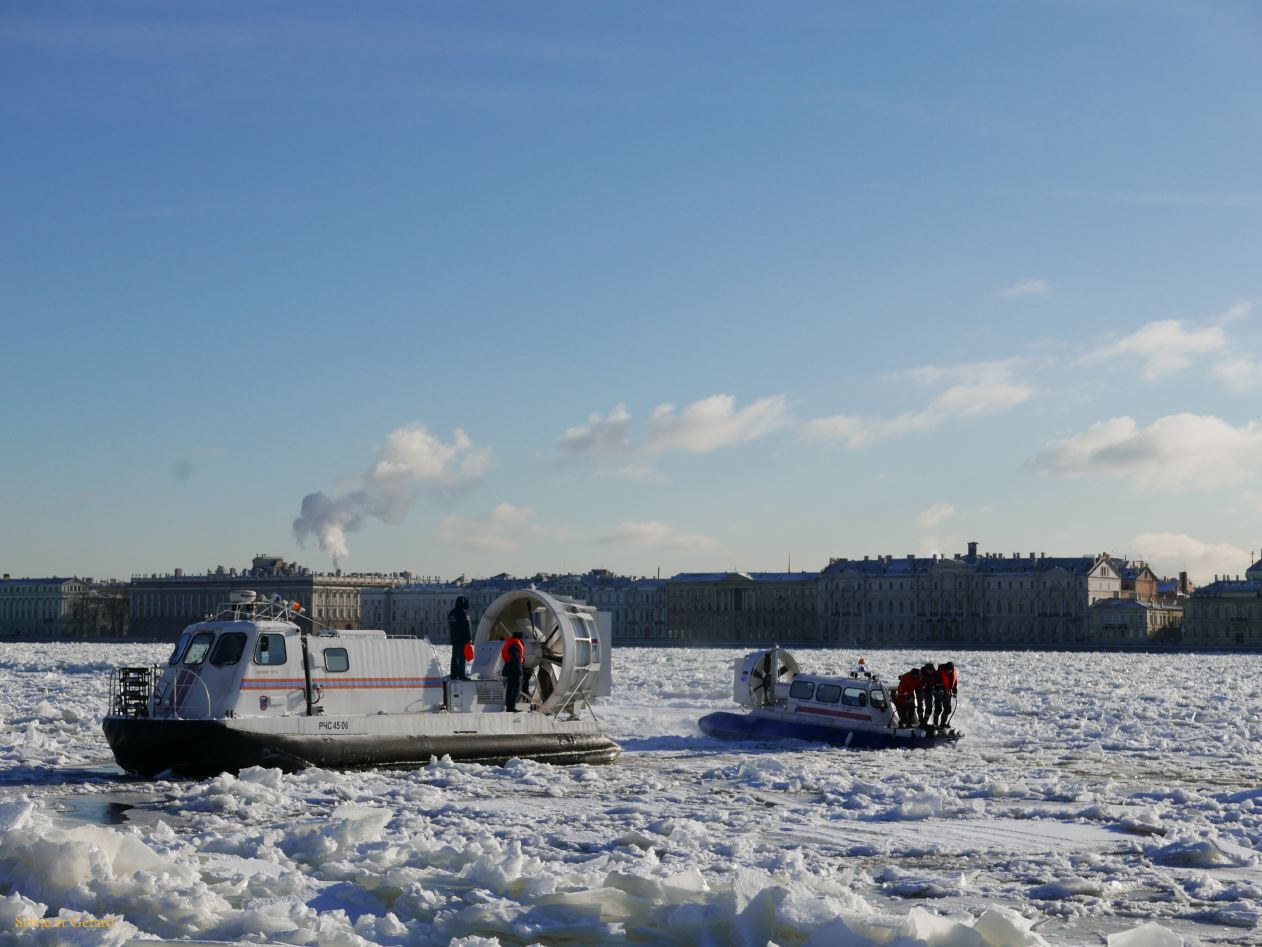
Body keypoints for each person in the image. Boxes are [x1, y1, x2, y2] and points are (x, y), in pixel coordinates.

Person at [447, 596, 472, 681]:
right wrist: (469, 638)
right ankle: (461, 674)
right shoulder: (463, 613)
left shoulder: (452, 613)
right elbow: (466, 627)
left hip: (454, 639)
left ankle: (453, 674)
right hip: (462, 639)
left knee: (454, 657)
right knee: (462, 657)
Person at [501, 631, 525, 712]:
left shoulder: (511, 643)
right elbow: (516, 659)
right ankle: (511, 707)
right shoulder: (515, 646)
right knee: (516, 688)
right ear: (519, 637)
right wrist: (519, 671)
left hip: (509, 668)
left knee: (510, 688)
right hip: (514, 669)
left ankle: (509, 706)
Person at [936, 661, 958, 728]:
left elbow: (954, 684)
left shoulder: (953, 673)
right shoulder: (939, 672)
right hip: (939, 693)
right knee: (938, 709)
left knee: (948, 709)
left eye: (950, 670)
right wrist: (941, 689)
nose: (949, 671)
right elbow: (936, 683)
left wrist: (955, 692)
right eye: (948, 670)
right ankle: (935, 724)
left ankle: (943, 723)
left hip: (948, 693)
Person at [917, 662, 937, 727]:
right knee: (920, 705)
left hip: (929, 691)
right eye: (929, 670)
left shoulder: (934, 674)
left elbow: (935, 683)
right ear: (926, 669)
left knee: (929, 707)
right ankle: (920, 720)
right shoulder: (920, 674)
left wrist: (935, 690)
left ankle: (924, 721)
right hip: (919, 691)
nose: (930, 671)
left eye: (931, 670)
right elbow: (917, 683)